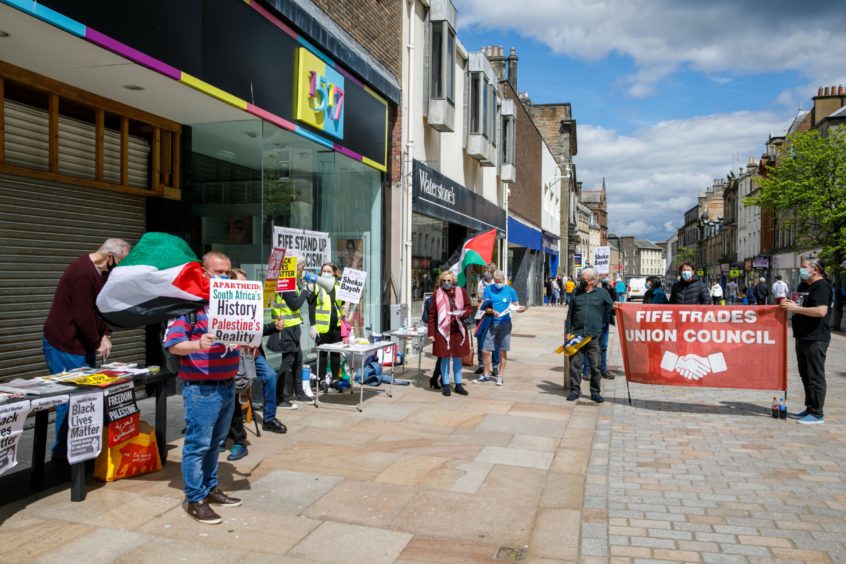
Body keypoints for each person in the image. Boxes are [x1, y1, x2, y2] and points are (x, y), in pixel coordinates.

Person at [163, 251, 242, 525]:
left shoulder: (232, 304)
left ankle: (210, 489)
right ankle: (195, 498)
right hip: (201, 389)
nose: (224, 277)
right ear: (203, 273)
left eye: (228, 272)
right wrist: (198, 344)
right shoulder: (188, 308)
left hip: (227, 385)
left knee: (216, 444)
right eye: (218, 272)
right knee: (198, 445)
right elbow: (173, 345)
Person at [43, 238, 130, 460]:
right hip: (66, 344)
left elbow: (104, 307)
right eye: (121, 261)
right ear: (109, 257)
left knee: (85, 398)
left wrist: (106, 334)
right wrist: (97, 340)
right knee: (71, 398)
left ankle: (81, 449)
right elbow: (82, 315)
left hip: (83, 344)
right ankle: (62, 453)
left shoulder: (102, 273)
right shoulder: (83, 273)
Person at [223, 269, 287, 462]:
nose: (245, 286)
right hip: (234, 357)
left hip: (253, 355)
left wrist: (273, 327)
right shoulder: (224, 304)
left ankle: (269, 418)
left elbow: (257, 328)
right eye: (241, 282)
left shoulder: (251, 303)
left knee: (270, 376)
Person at [781, 258, 834, 425]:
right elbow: (798, 304)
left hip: (816, 338)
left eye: (804, 267)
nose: (800, 270)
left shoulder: (822, 287)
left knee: (815, 376)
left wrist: (796, 309)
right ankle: (809, 408)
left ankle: (817, 413)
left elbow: (821, 311)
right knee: (805, 375)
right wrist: (789, 304)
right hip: (802, 336)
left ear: (815, 270)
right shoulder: (803, 285)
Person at [566, 268, 614, 403]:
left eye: (584, 280)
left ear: (592, 281)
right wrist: (568, 331)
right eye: (580, 279)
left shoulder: (602, 293)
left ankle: (595, 392)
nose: (581, 281)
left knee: (595, 365)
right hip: (576, 333)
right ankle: (575, 390)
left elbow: (612, 309)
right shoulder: (576, 292)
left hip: (594, 334)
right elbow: (570, 313)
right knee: (575, 364)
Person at [271, 259, 314, 409]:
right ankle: (279, 397)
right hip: (286, 328)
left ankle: (299, 393)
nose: (303, 270)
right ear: (293, 268)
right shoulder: (285, 285)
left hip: (293, 327)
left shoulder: (292, 284)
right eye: (301, 267)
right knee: (288, 361)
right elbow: (295, 304)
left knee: (298, 360)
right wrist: (305, 291)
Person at [475, 269, 524, 386]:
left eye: (500, 281)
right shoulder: (488, 289)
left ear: (504, 279)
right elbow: (483, 306)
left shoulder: (510, 290)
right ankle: (486, 374)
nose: (498, 283)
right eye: (496, 281)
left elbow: (516, 305)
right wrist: (491, 311)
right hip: (491, 322)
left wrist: (520, 309)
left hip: (505, 323)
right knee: (485, 350)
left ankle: (500, 376)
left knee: (503, 350)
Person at [427, 271, 472, 396]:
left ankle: (458, 385)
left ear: (453, 281)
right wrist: (431, 333)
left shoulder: (461, 291)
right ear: (441, 282)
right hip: (442, 330)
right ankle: (445, 385)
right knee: (444, 358)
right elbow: (432, 315)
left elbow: (469, 307)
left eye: (449, 280)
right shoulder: (437, 294)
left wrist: (462, 312)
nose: (446, 283)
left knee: (458, 358)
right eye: (444, 281)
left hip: (458, 329)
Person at [309, 262, 345, 388]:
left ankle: (335, 379)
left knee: (335, 354)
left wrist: (347, 307)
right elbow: (311, 306)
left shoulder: (339, 286)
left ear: (334, 272)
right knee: (322, 354)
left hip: (336, 326)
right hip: (322, 326)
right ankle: (321, 380)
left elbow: (343, 304)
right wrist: (312, 325)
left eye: (329, 271)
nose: (326, 273)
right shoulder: (316, 286)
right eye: (324, 270)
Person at [582, 275, 617, 381]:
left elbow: (612, 304)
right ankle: (587, 370)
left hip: (604, 322)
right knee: (589, 346)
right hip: (590, 323)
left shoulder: (605, 290)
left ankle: (603, 369)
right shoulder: (585, 292)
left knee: (603, 346)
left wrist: (612, 288)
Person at [473, 264, 500, 376]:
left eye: (489, 270)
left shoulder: (496, 284)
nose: (486, 272)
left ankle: (494, 366)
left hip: (493, 315)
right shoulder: (480, 283)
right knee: (480, 339)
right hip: (481, 315)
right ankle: (481, 364)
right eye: (485, 270)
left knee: (494, 341)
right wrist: (478, 299)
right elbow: (477, 300)